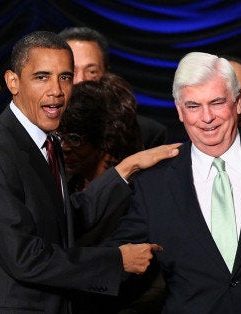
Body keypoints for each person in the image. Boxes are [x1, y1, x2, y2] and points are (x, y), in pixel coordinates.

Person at [0, 31, 171, 313]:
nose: (56, 90)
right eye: (42, 77)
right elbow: (26, 258)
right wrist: (116, 261)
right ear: (12, 81)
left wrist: (126, 169)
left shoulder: (46, 140)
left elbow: (64, 218)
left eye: (65, 77)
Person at [107, 52, 241, 313]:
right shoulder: (154, 183)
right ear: (179, 111)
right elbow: (118, 262)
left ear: (238, 103)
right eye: (193, 106)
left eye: (217, 102)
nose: (207, 118)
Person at [60, 74, 166, 313]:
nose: (64, 147)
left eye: (75, 138)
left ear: (104, 138)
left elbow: (139, 275)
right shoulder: (63, 183)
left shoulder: (139, 195)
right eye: (61, 136)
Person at [58, 26, 168, 149]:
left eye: (92, 71)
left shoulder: (146, 134)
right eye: (71, 71)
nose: (80, 80)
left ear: (106, 74)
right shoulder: (42, 129)